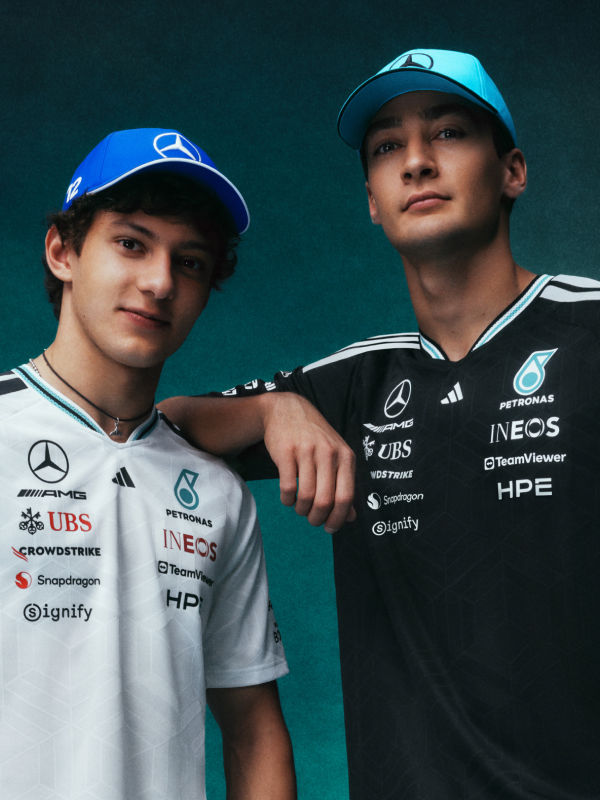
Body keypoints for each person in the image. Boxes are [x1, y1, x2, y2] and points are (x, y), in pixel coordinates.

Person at [160, 50, 600, 798]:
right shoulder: (357, 384)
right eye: (388, 146)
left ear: (513, 171)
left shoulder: (587, 328)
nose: (417, 162)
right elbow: (163, 425)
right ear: (371, 199)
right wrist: (272, 408)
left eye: (449, 132)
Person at [0, 128, 296, 800]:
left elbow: (253, 733)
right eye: (131, 244)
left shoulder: (217, 492)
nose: (160, 282)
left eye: (189, 262)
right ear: (62, 252)